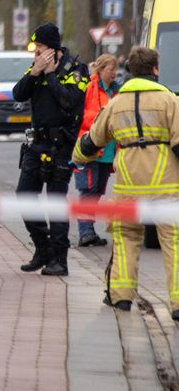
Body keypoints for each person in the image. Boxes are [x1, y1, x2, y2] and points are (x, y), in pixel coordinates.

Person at [73, 47, 179, 317]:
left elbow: (93, 139)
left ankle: (121, 298)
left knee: (126, 238)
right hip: (165, 184)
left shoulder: (116, 103)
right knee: (173, 241)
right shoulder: (169, 101)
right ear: (155, 69)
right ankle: (178, 304)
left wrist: (76, 157)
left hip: (128, 184)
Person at [13, 22, 88, 277]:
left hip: (61, 146)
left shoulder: (76, 70)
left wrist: (50, 75)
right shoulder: (36, 68)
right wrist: (34, 73)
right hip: (36, 144)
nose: (36, 55)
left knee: (56, 202)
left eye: (40, 49)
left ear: (54, 50)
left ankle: (59, 258)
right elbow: (18, 94)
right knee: (24, 195)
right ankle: (42, 247)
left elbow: (69, 100)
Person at [75, 53, 118, 247]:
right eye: (111, 69)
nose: (114, 74)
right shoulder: (88, 88)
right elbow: (79, 116)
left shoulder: (117, 91)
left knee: (98, 191)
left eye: (116, 69)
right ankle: (85, 232)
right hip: (89, 148)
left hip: (108, 150)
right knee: (87, 190)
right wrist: (100, 117)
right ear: (100, 70)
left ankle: (89, 230)